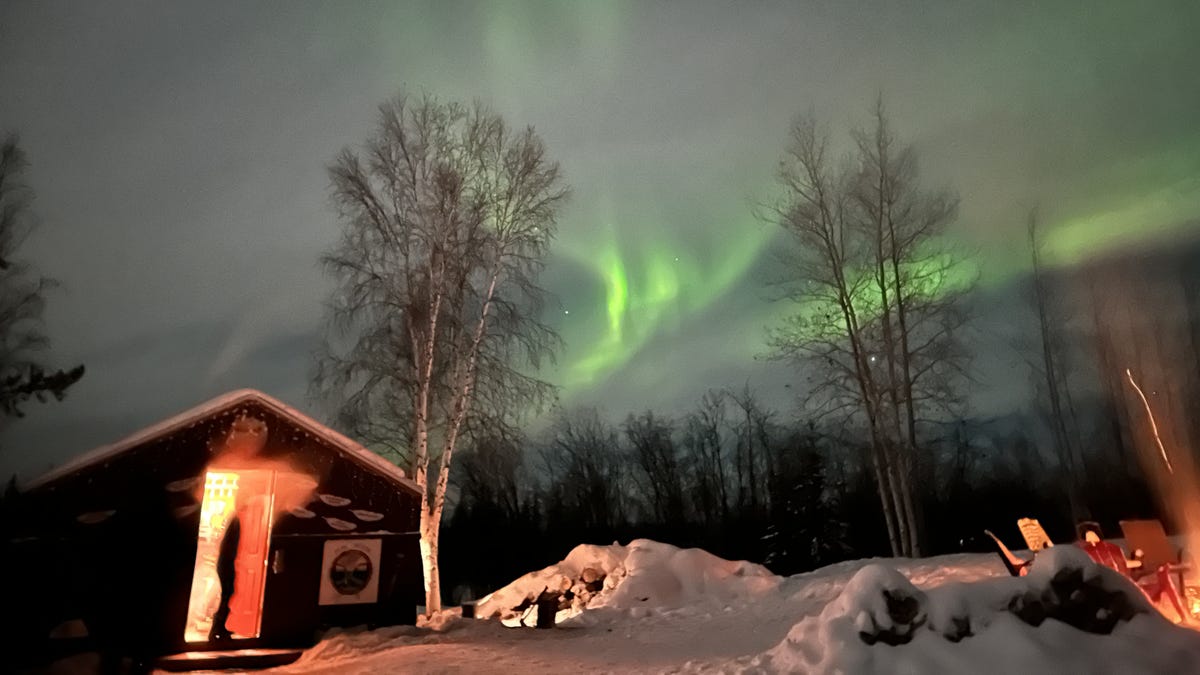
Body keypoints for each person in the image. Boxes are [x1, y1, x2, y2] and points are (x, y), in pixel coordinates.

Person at [209, 513, 241, 642]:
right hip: (226, 564)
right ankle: (216, 628)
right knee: (226, 595)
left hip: (226, 563)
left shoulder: (232, 526)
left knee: (228, 595)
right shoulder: (235, 524)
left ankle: (219, 627)